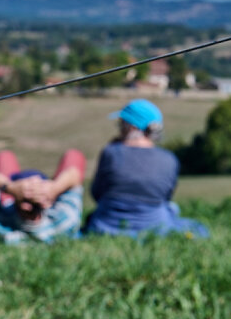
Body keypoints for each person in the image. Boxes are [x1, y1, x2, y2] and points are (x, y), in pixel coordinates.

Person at [86, 99, 208, 238]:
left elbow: (97, 193)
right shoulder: (169, 159)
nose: (119, 129)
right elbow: (166, 198)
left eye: (121, 124)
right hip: (155, 226)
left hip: (107, 225)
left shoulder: (111, 152)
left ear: (131, 127)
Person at [0, 148, 86, 243]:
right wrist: (54, 188)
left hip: (12, 213)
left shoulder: (1, 227)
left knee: (4, 156)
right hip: (46, 207)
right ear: (46, 203)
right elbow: (74, 172)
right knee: (74, 154)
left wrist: (10, 188)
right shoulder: (65, 223)